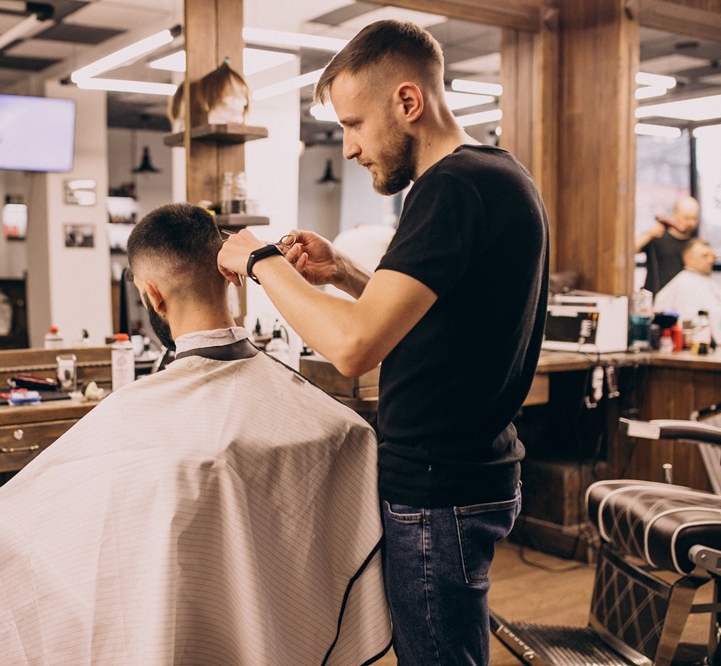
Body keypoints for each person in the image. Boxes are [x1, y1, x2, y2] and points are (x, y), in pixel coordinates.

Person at [0, 203, 391, 665]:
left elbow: (25, 535)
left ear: (151, 295)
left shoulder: (133, 416)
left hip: (180, 627)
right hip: (298, 632)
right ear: (231, 275)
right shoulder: (336, 423)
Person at [218, 20, 549, 666]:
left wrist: (262, 262)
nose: (347, 149)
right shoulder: (495, 174)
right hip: (469, 474)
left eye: (354, 124)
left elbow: (353, 347)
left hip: (438, 489)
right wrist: (342, 272)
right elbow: (438, 314)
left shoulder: (451, 188)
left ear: (407, 102)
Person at [637, 195, 701, 295]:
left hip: (681, 300)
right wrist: (650, 235)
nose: (691, 223)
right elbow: (631, 250)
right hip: (656, 299)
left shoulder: (695, 244)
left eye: (694, 219)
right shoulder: (658, 236)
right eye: (687, 218)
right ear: (675, 214)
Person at [654, 238, 721, 331]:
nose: (710, 260)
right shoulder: (683, 283)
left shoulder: (711, 282)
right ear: (688, 259)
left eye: (712, 256)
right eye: (704, 256)